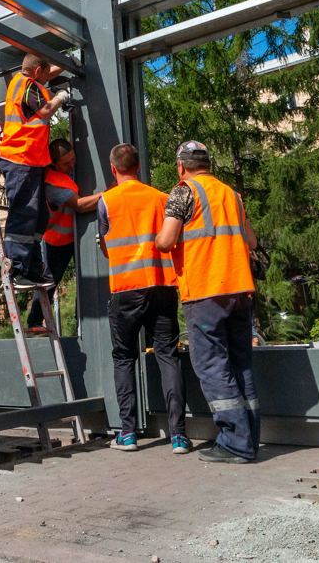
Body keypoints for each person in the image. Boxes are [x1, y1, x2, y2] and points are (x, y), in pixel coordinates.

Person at [155, 141, 260, 464]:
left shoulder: (183, 192)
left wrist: (158, 240)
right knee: (240, 364)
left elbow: (166, 240)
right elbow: (251, 240)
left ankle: (234, 444)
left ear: (181, 166)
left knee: (212, 365)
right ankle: (249, 438)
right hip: (239, 288)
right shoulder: (231, 195)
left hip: (205, 290)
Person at [99, 143, 189, 455]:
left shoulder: (106, 201)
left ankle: (128, 434)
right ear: (138, 167)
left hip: (125, 289)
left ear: (113, 169)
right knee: (167, 356)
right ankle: (178, 436)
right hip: (162, 286)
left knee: (124, 357)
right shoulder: (162, 198)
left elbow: (105, 246)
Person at [0, 53, 71, 289]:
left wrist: (69, 62)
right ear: (38, 71)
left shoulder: (28, 82)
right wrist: (61, 96)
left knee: (39, 217)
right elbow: (46, 110)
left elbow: (45, 76)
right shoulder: (26, 85)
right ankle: (17, 268)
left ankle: (33, 269)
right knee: (23, 213)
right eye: (46, 74)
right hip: (20, 159)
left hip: (31, 160)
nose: (48, 78)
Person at [28, 138, 101, 330]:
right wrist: (108, 194)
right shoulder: (53, 184)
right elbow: (80, 205)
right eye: (66, 163)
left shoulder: (64, 175)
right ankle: (35, 322)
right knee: (50, 281)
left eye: (73, 160)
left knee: (84, 279)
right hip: (57, 241)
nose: (71, 165)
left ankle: (80, 318)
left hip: (73, 236)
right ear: (54, 163)